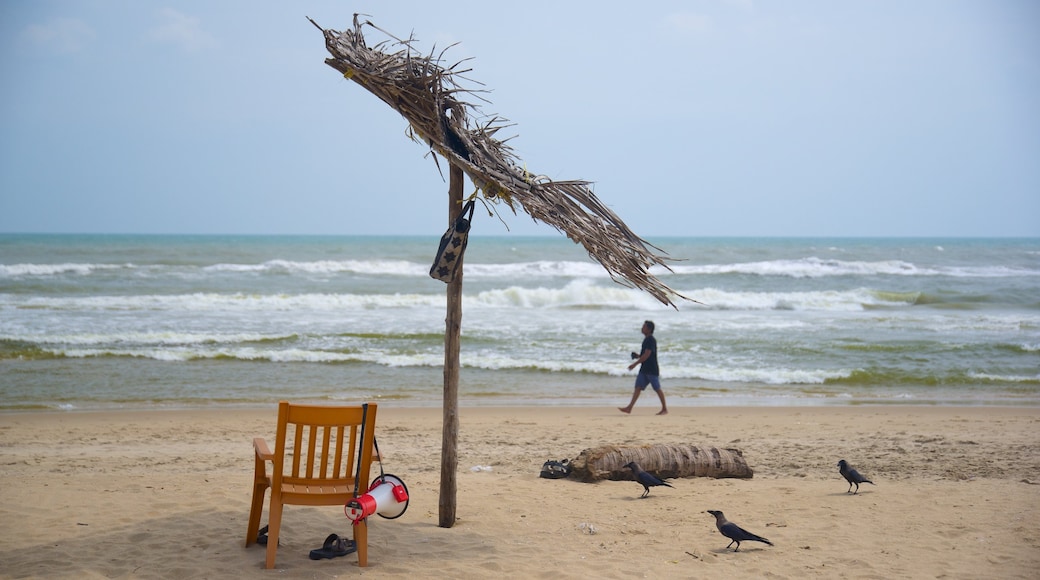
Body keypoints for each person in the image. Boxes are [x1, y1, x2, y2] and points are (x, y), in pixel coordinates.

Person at [618, 320, 668, 415]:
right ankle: (629, 408)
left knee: (657, 388)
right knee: (638, 387)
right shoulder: (646, 340)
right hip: (645, 369)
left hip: (651, 369)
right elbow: (645, 355)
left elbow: (647, 355)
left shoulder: (650, 340)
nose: (642, 328)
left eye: (644, 327)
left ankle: (664, 409)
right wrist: (638, 356)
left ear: (649, 329)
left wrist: (635, 364)